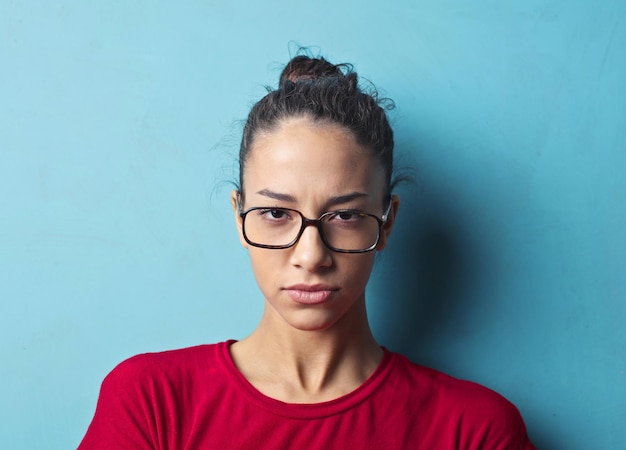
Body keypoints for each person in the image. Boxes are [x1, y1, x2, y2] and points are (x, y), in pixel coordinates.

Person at [79, 54, 535, 449]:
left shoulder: (473, 430)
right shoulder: (152, 402)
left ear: (388, 220)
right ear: (240, 216)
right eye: (277, 214)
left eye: (345, 216)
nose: (311, 256)